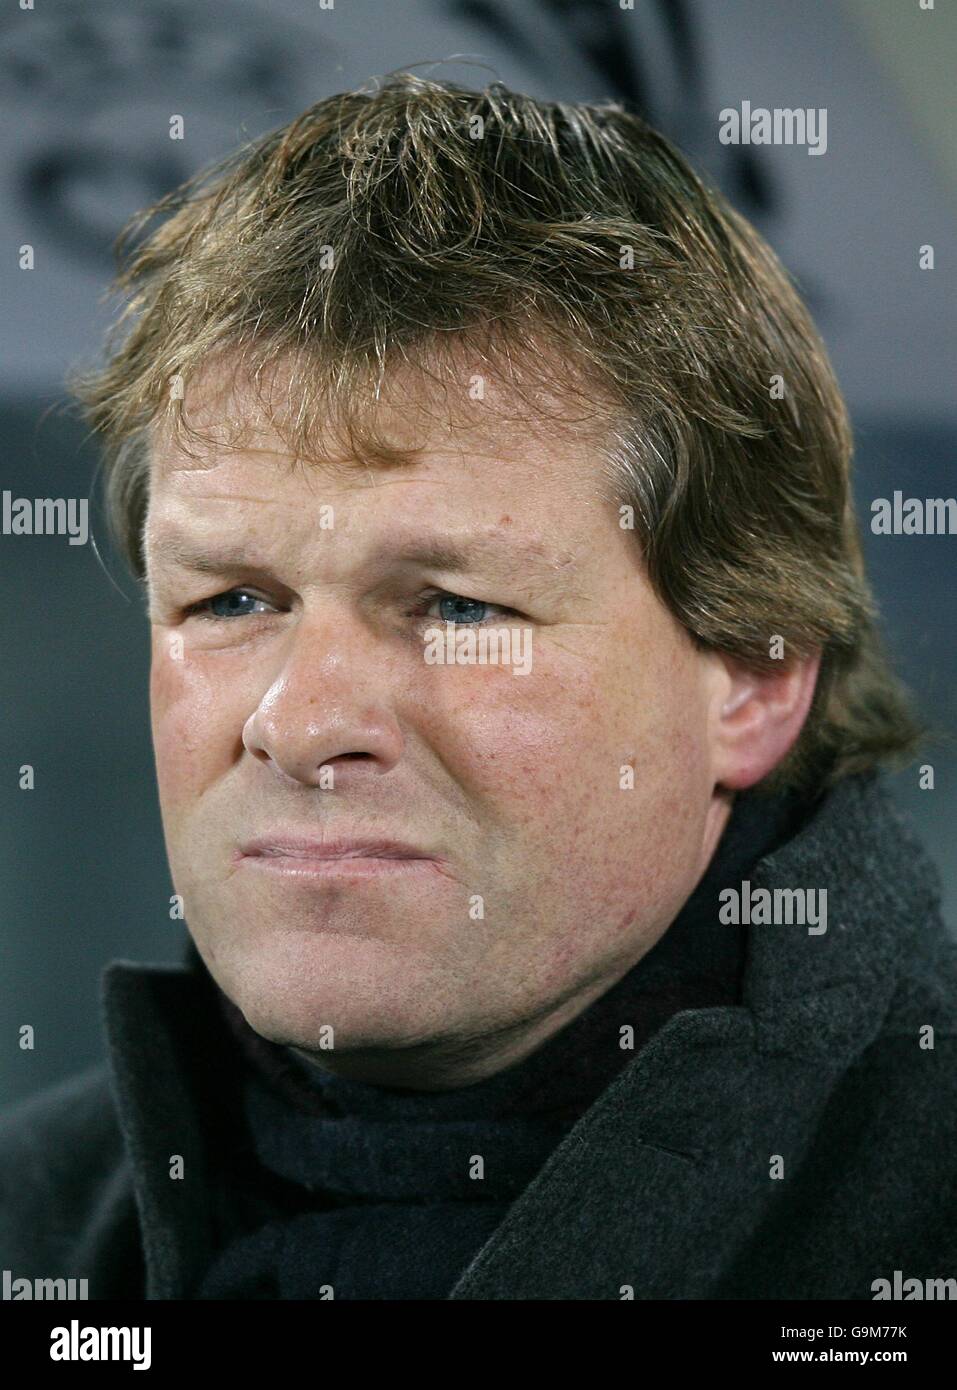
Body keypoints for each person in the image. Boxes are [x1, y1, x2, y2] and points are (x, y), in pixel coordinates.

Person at [2, 73, 954, 1301]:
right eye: (232, 600)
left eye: (458, 606)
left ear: (757, 678)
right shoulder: (29, 1231)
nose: (298, 722)